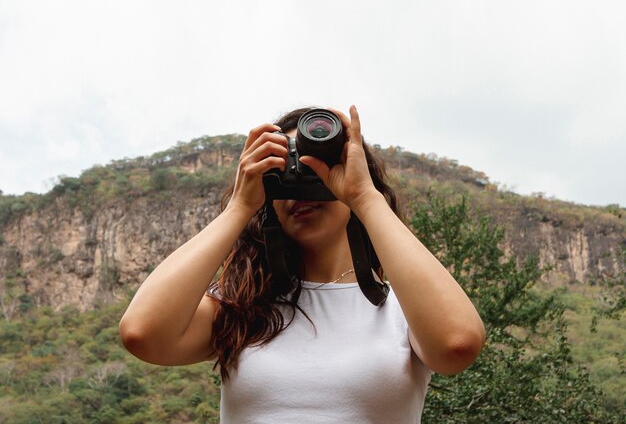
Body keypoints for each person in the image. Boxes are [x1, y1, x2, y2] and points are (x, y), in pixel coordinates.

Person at [119, 105, 485, 423]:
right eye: (287, 169)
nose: (302, 184)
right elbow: (143, 335)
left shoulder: (403, 309)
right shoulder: (241, 307)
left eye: (321, 167)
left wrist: (364, 197)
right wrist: (240, 205)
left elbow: (456, 345)